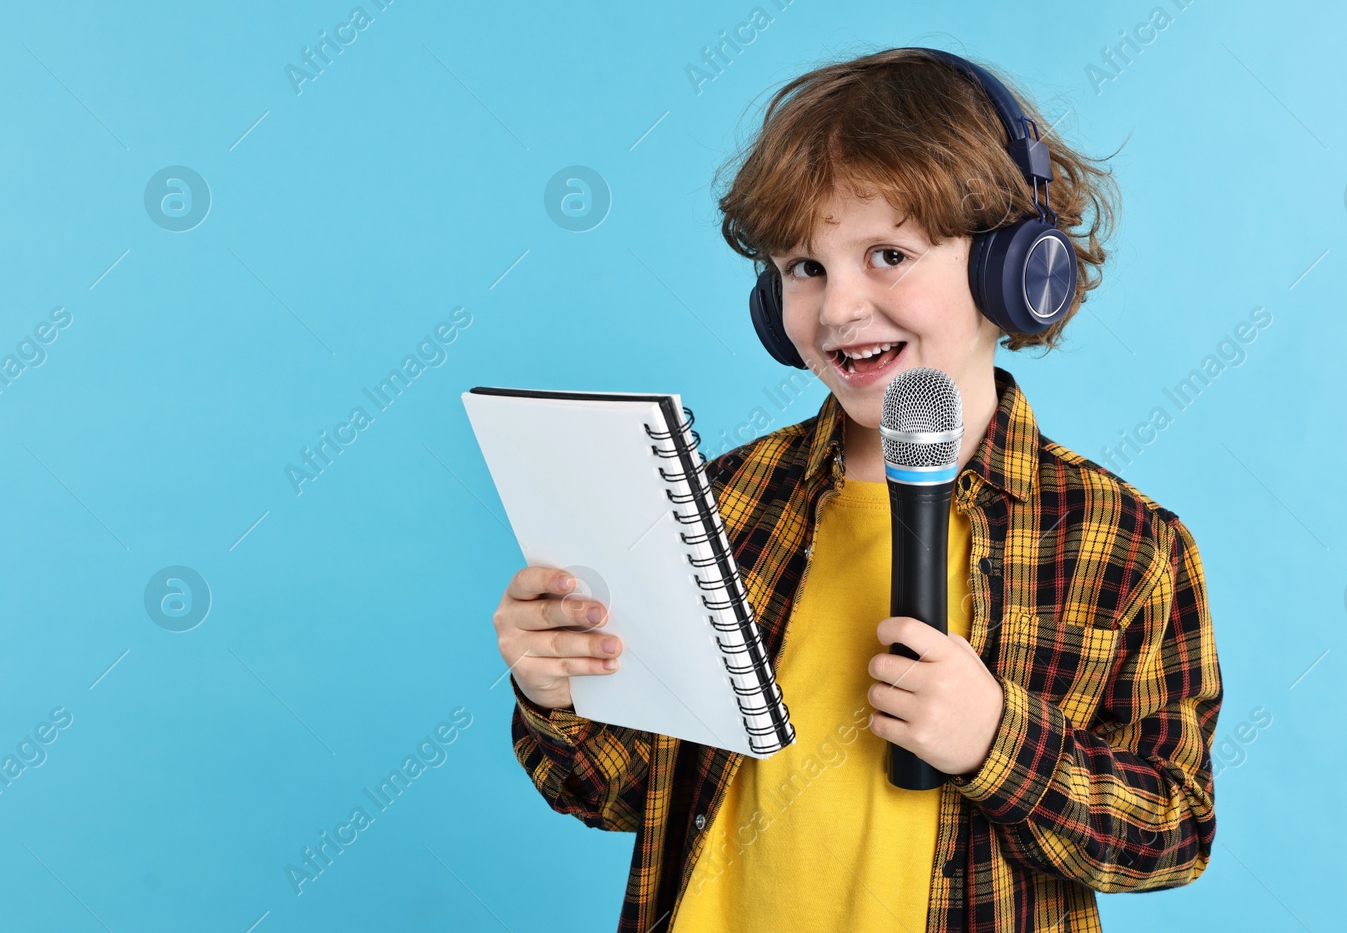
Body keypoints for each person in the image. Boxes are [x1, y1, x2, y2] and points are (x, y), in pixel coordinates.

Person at [491, 47, 1222, 933]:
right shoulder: (718, 504)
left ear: (1017, 270)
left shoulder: (1127, 542)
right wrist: (560, 690)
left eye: (887, 254)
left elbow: (1174, 832)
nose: (837, 309)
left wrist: (1000, 743)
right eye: (804, 267)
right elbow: (615, 789)